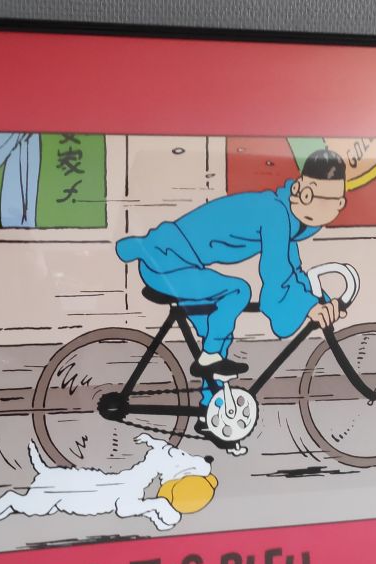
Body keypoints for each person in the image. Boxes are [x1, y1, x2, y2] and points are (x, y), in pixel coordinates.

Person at [115, 148, 349, 402]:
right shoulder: (275, 214)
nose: (315, 205)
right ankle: (210, 359)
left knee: (218, 333)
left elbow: (292, 271)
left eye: (330, 202)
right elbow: (277, 272)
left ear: (339, 204)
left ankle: (212, 410)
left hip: (173, 260)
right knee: (237, 292)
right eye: (309, 195)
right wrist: (308, 306)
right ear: (299, 189)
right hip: (167, 261)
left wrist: (319, 301)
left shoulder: (285, 220)